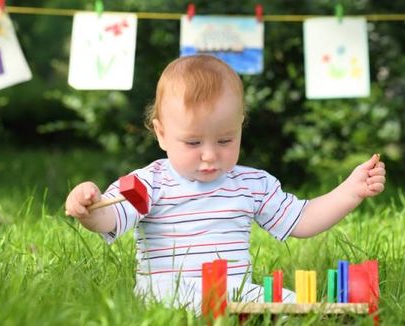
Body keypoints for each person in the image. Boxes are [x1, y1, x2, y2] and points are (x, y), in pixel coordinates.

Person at [65, 54, 386, 312]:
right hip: (168, 295)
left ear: (240, 127)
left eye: (225, 140)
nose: (209, 156)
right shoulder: (150, 182)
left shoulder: (252, 184)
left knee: (290, 304)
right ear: (161, 133)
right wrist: (89, 211)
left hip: (234, 292)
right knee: (202, 305)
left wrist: (349, 191)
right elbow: (112, 218)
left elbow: (302, 220)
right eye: (193, 143)